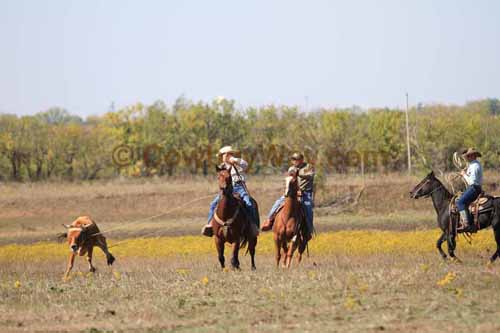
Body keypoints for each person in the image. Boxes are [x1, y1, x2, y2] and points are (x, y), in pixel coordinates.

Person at [202, 146, 259, 237]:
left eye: (224, 155)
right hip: (227, 189)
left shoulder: (238, 164)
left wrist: (234, 160)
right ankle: (210, 225)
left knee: (249, 203)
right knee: (213, 203)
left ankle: (253, 226)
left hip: (239, 187)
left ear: (229, 155)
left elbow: (246, 165)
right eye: (222, 156)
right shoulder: (222, 167)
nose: (222, 157)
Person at [261, 152, 315, 239]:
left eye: (296, 160)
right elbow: (290, 176)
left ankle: (308, 230)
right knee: (278, 202)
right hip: (293, 192)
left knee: (308, 208)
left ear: (301, 160)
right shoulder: (292, 168)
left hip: (305, 193)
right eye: (293, 160)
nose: (294, 162)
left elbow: (310, 175)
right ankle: (269, 220)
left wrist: (299, 174)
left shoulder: (308, 167)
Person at [457, 148, 483, 233]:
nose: (467, 157)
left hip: (474, 188)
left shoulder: (474, 166)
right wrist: (465, 174)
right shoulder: (473, 165)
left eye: (468, 156)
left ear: (473, 156)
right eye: (467, 156)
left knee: (460, 202)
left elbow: (472, 182)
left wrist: (464, 174)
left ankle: (466, 224)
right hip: (473, 188)